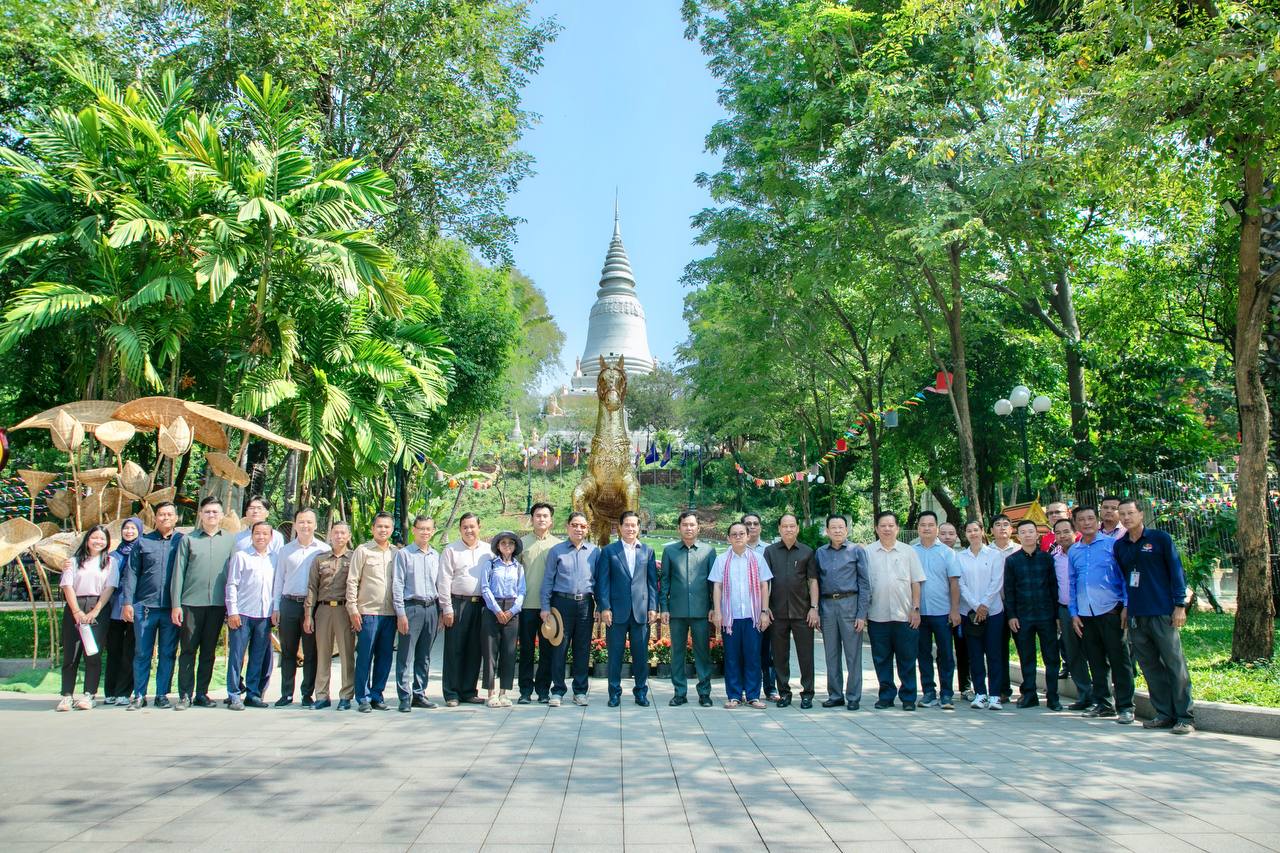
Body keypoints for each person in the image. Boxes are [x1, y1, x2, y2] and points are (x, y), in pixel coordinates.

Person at [1115, 498, 1195, 734]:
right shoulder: (1120, 546)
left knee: (1174, 664)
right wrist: (1127, 607)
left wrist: (1179, 605)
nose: (1126, 518)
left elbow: (1176, 572)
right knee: (1149, 666)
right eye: (1122, 514)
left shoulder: (1160, 539)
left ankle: (1185, 717)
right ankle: (1164, 714)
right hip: (1137, 615)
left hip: (1162, 612)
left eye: (1130, 513)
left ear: (1141, 514)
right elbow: (1125, 579)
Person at [1068, 505, 1136, 724]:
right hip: (1085, 614)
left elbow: (1124, 576)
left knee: (1119, 659)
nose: (1086, 523)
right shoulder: (1074, 551)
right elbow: (1072, 583)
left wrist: (1126, 605)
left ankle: (1126, 706)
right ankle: (1104, 704)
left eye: (1090, 518)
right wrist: (1073, 613)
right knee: (1096, 661)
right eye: (1081, 519)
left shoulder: (1112, 545)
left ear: (1097, 521)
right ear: (1076, 524)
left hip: (1111, 610)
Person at [170, 495, 236, 710]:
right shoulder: (188, 539)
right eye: (207, 511)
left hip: (217, 604)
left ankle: (202, 693)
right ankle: (184, 695)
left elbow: (234, 574)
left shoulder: (230, 541)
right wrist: (176, 604)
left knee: (208, 651)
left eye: (215, 512)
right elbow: (178, 573)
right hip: (191, 603)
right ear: (200, 514)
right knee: (188, 650)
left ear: (222, 515)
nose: (211, 515)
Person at [120, 501, 183, 710]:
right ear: (155, 518)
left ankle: (162, 694)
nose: (165, 518)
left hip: (172, 608)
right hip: (145, 607)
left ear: (176, 518)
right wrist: (127, 602)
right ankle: (139, 694)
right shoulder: (143, 542)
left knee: (167, 652)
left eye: (169, 514)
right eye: (161, 514)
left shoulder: (182, 541)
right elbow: (131, 573)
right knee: (142, 652)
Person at [865, 512, 925, 710]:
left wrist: (916, 609)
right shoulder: (868, 552)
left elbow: (916, 582)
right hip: (877, 615)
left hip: (904, 616)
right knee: (881, 659)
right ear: (876, 529)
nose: (887, 529)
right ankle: (886, 696)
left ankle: (908, 698)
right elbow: (864, 584)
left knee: (907, 659)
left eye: (891, 525)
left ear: (897, 528)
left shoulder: (908, 552)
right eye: (883, 525)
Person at [598, 511, 659, 707]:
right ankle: (614, 693)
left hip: (641, 612)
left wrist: (653, 607)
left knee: (641, 656)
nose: (630, 529)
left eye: (634, 525)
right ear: (620, 527)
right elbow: (603, 582)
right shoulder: (609, 551)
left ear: (639, 528)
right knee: (615, 656)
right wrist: (605, 607)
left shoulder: (647, 551)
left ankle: (641, 692)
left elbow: (652, 582)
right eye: (627, 525)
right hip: (616, 612)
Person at [710, 521, 773, 708]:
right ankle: (734, 695)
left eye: (741, 534)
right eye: (734, 534)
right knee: (732, 657)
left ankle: (753, 696)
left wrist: (764, 612)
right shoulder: (721, 560)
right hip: (731, 618)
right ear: (728, 538)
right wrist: (718, 612)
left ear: (748, 536)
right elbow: (717, 586)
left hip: (753, 617)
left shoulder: (757, 559)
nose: (738, 537)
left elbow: (764, 586)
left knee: (753, 656)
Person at [272, 508, 330, 708]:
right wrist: (276, 607)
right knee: (288, 651)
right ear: (295, 524)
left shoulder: (323, 550)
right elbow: (278, 580)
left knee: (311, 652)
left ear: (315, 525)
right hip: (289, 603)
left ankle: (307, 694)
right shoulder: (285, 550)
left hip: (312, 606)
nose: (305, 526)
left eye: (309, 522)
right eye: (301, 522)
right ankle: (286, 694)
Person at [540, 512, 600, 707]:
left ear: (587, 529)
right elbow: (548, 580)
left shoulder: (594, 552)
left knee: (582, 648)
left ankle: (580, 691)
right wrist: (545, 606)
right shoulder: (556, 551)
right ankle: (557, 691)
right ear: (567, 527)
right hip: (561, 604)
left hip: (585, 604)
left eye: (582, 526)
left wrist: (600, 605)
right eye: (574, 525)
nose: (578, 529)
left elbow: (599, 581)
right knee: (559, 647)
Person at [56, 526, 118, 711]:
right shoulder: (73, 562)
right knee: (71, 654)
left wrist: (95, 611)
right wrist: (76, 612)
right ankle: (67, 695)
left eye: (102, 538)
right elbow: (67, 586)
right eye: (94, 538)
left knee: (93, 653)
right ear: (87, 539)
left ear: (107, 542)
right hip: (74, 606)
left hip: (98, 607)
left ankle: (89, 694)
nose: (98, 541)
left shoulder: (110, 562)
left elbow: (109, 588)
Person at [228, 495, 281, 706]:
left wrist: (276, 610)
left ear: (271, 537)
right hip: (242, 613)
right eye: (257, 533)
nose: (261, 537)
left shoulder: (275, 559)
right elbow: (232, 584)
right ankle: (234, 693)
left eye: (265, 534)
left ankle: (252, 693)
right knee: (236, 655)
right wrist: (232, 611)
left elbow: (277, 587)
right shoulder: (241, 556)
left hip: (264, 614)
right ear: (251, 536)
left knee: (258, 655)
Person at [660, 510, 717, 708]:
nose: (689, 528)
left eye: (692, 524)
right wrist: (664, 607)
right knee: (677, 653)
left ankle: (704, 693)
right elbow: (665, 581)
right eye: (685, 525)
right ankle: (679, 693)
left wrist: (713, 607)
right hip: (677, 611)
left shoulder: (708, 551)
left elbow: (713, 583)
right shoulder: (670, 551)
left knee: (703, 653)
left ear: (698, 528)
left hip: (701, 611)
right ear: (679, 528)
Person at [1004, 519, 1061, 710]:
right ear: (1018, 536)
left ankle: (1053, 696)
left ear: (1037, 535)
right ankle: (1029, 694)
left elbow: (1053, 587)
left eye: (1031, 531)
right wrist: (1012, 615)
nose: (1027, 535)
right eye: (1023, 532)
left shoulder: (1047, 559)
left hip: (1046, 615)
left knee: (1051, 657)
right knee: (1026, 656)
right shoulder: (1012, 561)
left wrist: (1057, 616)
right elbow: (1009, 590)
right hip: (1023, 616)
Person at [814, 514, 869, 710]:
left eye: (841, 527)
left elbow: (864, 583)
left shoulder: (856, 551)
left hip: (850, 604)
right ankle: (835, 695)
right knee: (831, 654)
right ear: (827, 531)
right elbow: (815, 583)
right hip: (827, 606)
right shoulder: (820, 553)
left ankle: (853, 696)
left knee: (853, 655)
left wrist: (862, 614)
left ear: (846, 530)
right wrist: (817, 611)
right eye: (833, 527)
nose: (837, 531)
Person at [439, 513, 493, 707]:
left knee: (474, 649)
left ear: (479, 527)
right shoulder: (451, 550)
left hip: (481, 605)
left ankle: (469, 691)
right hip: (458, 604)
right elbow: (443, 580)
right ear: (460, 529)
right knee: (454, 649)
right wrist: (446, 608)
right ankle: (452, 693)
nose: (469, 530)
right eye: (465, 527)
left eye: (472, 526)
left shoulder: (488, 551)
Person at [392, 515, 444, 712]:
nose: (425, 532)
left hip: (431, 608)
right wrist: (400, 613)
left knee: (425, 655)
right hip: (411, 608)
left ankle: (419, 694)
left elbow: (440, 584)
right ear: (414, 530)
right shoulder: (404, 554)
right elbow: (397, 584)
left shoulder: (435, 555)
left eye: (428, 529)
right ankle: (404, 697)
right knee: (406, 655)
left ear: (433, 531)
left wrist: (440, 611)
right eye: (421, 528)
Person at [348, 512, 399, 713]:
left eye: (387, 527)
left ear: (392, 529)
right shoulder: (363, 551)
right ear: (372, 528)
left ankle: (377, 695)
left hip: (390, 614)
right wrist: (353, 609)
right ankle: (363, 697)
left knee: (384, 657)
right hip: (367, 612)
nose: (383, 530)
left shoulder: (396, 553)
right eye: (379, 526)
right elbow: (352, 580)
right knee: (365, 656)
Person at [764, 514, 817, 708]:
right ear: (779, 529)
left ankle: (808, 693)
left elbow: (813, 581)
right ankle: (784, 693)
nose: (788, 529)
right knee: (779, 656)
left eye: (792, 526)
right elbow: (765, 582)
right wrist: (765, 609)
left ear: (797, 528)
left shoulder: (807, 552)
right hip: (777, 613)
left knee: (806, 655)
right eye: (785, 526)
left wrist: (814, 608)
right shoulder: (770, 552)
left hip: (802, 612)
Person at [305, 522, 356, 710]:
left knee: (347, 654)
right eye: (336, 533)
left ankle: (346, 696)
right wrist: (308, 615)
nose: (339, 536)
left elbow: (358, 586)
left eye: (343, 533)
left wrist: (355, 613)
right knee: (323, 654)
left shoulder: (354, 558)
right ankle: (321, 696)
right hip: (324, 610)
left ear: (348, 536)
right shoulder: (320, 559)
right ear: (330, 535)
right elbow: (312, 587)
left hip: (345, 610)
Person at [914, 511, 961, 710]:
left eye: (930, 525)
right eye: (923, 525)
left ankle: (947, 693)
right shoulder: (911, 552)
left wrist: (955, 610)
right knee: (923, 654)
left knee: (946, 654)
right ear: (918, 528)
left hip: (942, 612)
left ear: (936, 527)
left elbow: (954, 583)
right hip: (919, 613)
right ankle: (928, 692)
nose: (927, 528)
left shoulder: (947, 552)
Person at [958, 520, 1006, 710]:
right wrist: (976, 605)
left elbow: (997, 581)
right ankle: (980, 693)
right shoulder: (960, 557)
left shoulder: (994, 555)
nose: (973, 533)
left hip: (993, 611)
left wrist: (985, 604)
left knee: (994, 653)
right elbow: (961, 584)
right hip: (970, 613)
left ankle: (995, 695)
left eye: (976, 530)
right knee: (975, 654)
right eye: (969, 531)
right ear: (965, 534)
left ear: (982, 531)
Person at [518, 503, 561, 704]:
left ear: (551, 520)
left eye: (545, 516)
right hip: (526, 605)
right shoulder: (521, 544)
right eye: (537, 515)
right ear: (532, 519)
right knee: (526, 650)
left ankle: (543, 690)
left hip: (550, 608)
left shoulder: (558, 546)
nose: (541, 519)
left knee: (547, 650)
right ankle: (525, 691)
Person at [1052, 518, 1093, 710]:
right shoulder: (1054, 558)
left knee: (1096, 652)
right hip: (1065, 610)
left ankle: (1103, 696)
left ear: (1075, 532)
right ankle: (1085, 695)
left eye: (1066, 531)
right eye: (1058, 533)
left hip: (1089, 610)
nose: (1062, 536)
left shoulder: (1086, 553)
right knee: (1073, 653)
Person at [481, 531, 526, 708]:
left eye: (511, 543)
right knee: (490, 652)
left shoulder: (519, 567)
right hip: (493, 608)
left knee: (509, 652)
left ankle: (504, 692)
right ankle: (491, 693)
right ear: (498, 546)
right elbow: (485, 588)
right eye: (503, 543)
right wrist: (497, 610)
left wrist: (512, 610)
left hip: (512, 610)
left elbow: (522, 591)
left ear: (515, 547)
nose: (507, 546)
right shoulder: (491, 565)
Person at [103, 516, 142, 705]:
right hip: (114, 607)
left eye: (133, 528)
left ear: (139, 531)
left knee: (130, 651)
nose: (129, 531)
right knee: (114, 650)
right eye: (126, 528)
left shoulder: (142, 552)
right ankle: (110, 691)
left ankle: (124, 692)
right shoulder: (113, 555)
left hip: (134, 606)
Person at [742, 511, 778, 702]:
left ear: (760, 527)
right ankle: (745, 689)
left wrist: (766, 606)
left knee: (768, 650)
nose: (752, 526)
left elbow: (770, 581)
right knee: (746, 651)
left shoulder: (770, 550)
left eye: (755, 523)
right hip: (744, 610)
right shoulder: (736, 549)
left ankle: (770, 689)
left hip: (766, 609)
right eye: (748, 523)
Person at [937, 521, 971, 698]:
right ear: (938, 535)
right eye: (943, 533)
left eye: (951, 533)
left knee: (963, 649)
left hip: (961, 611)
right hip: (940, 611)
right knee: (943, 651)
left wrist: (956, 609)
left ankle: (965, 686)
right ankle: (944, 688)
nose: (947, 537)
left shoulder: (963, 557)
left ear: (957, 536)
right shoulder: (935, 555)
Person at [989, 514, 1018, 704]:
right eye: (997, 525)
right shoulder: (986, 551)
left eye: (1006, 524)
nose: (1002, 528)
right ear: (991, 530)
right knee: (998, 649)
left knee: (1024, 647)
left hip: (1018, 607)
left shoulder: (1019, 549)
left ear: (1011, 529)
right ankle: (1001, 689)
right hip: (996, 606)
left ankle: (1028, 691)